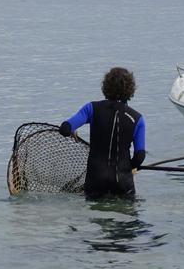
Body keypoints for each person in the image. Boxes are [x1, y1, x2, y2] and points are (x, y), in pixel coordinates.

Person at [59, 67, 148, 200]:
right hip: (123, 182)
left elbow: (65, 128)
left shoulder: (91, 109)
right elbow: (140, 156)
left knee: (98, 218)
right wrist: (130, 167)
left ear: (105, 87)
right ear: (131, 89)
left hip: (95, 182)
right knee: (128, 218)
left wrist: (71, 130)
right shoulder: (137, 118)